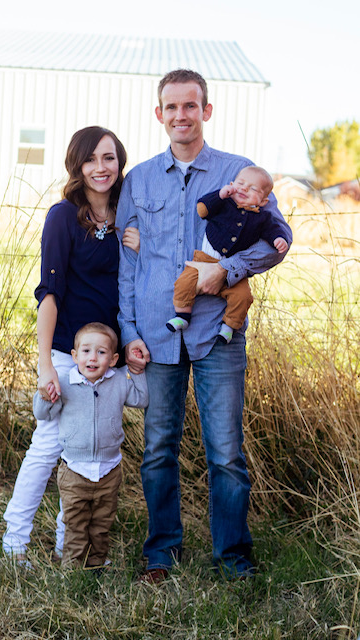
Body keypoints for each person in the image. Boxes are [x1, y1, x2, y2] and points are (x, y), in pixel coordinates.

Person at [116, 69, 292, 583]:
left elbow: (278, 239)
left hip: (219, 334)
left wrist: (228, 270)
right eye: (171, 108)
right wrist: (128, 332)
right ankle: (160, 552)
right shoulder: (140, 180)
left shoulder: (242, 173)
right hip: (156, 329)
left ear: (206, 111)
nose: (181, 116)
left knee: (226, 453)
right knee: (158, 449)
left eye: (190, 106)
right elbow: (129, 265)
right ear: (159, 114)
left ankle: (233, 557)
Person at [2, 126, 139, 566]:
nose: (101, 168)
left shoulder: (127, 215)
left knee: (87, 451)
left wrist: (137, 242)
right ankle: (15, 541)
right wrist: (46, 365)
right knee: (49, 444)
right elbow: (50, 294)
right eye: (91, 159)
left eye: (110, 158)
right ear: (77, 165)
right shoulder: (63, 216)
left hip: (107, 355)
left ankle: (69, 546)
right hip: (68, 353)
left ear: (120, 164)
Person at [32, 322, 148, 568]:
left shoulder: (118, 381)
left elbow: (141, 398)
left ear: (114, 358)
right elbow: (43, 413)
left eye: (101, 352)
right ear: (74, 356)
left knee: (101, 523)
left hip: (109, 470)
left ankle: (96, 565)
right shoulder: (65, 382)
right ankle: (72, 569)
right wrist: (45, 392)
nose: (92, 358)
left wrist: (136, 372)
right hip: (74, 471)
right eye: (85, 351)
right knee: (75, 523)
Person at [166, 165, 290, 343]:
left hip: (233, 272)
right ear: (231, 184)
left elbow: (274, 231)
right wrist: (220, 195)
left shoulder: (263, 217)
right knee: (184, 282)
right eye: (241, 183)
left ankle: (229, 326)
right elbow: (202, 209)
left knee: (244, 297)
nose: (244, 188)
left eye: (253, 188)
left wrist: (279, 239)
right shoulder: (224, 203)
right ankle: (182, 316)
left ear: (263, 201)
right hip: (204, 260)